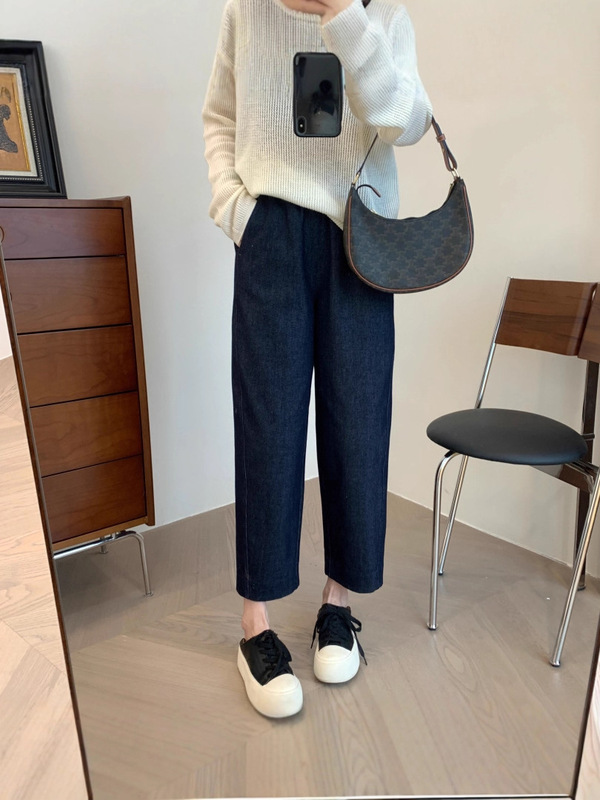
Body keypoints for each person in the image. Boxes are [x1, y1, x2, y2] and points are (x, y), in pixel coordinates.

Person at [202, 0, 432, 719]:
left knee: (357, 420)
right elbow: (219, 118)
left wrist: (345, 20)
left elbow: (407, 121)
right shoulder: (246, 9)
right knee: (267, 425)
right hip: (270, 230)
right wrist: (237, 211)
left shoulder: (380, 12)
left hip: (361, 237)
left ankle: (338, 603)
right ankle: (256, 623)